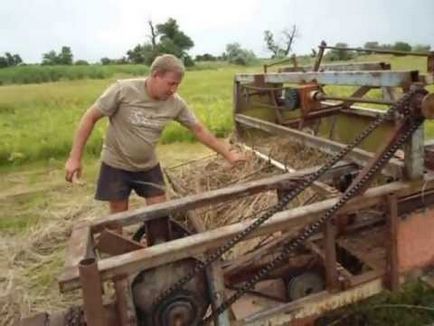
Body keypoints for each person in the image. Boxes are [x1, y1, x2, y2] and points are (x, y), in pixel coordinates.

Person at [65, 54, 244, 214]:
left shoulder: (175, 104)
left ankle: (156, 246)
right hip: (116, 164)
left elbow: (198, 129)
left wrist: (228, 154)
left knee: (159, 212)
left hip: (148, 166)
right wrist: (75, 158)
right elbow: (90, 118)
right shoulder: (123, 90)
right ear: (156, 75)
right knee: (119, 217)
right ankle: (120, 249)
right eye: (171, 83)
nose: (174, 89)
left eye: (177, 84)